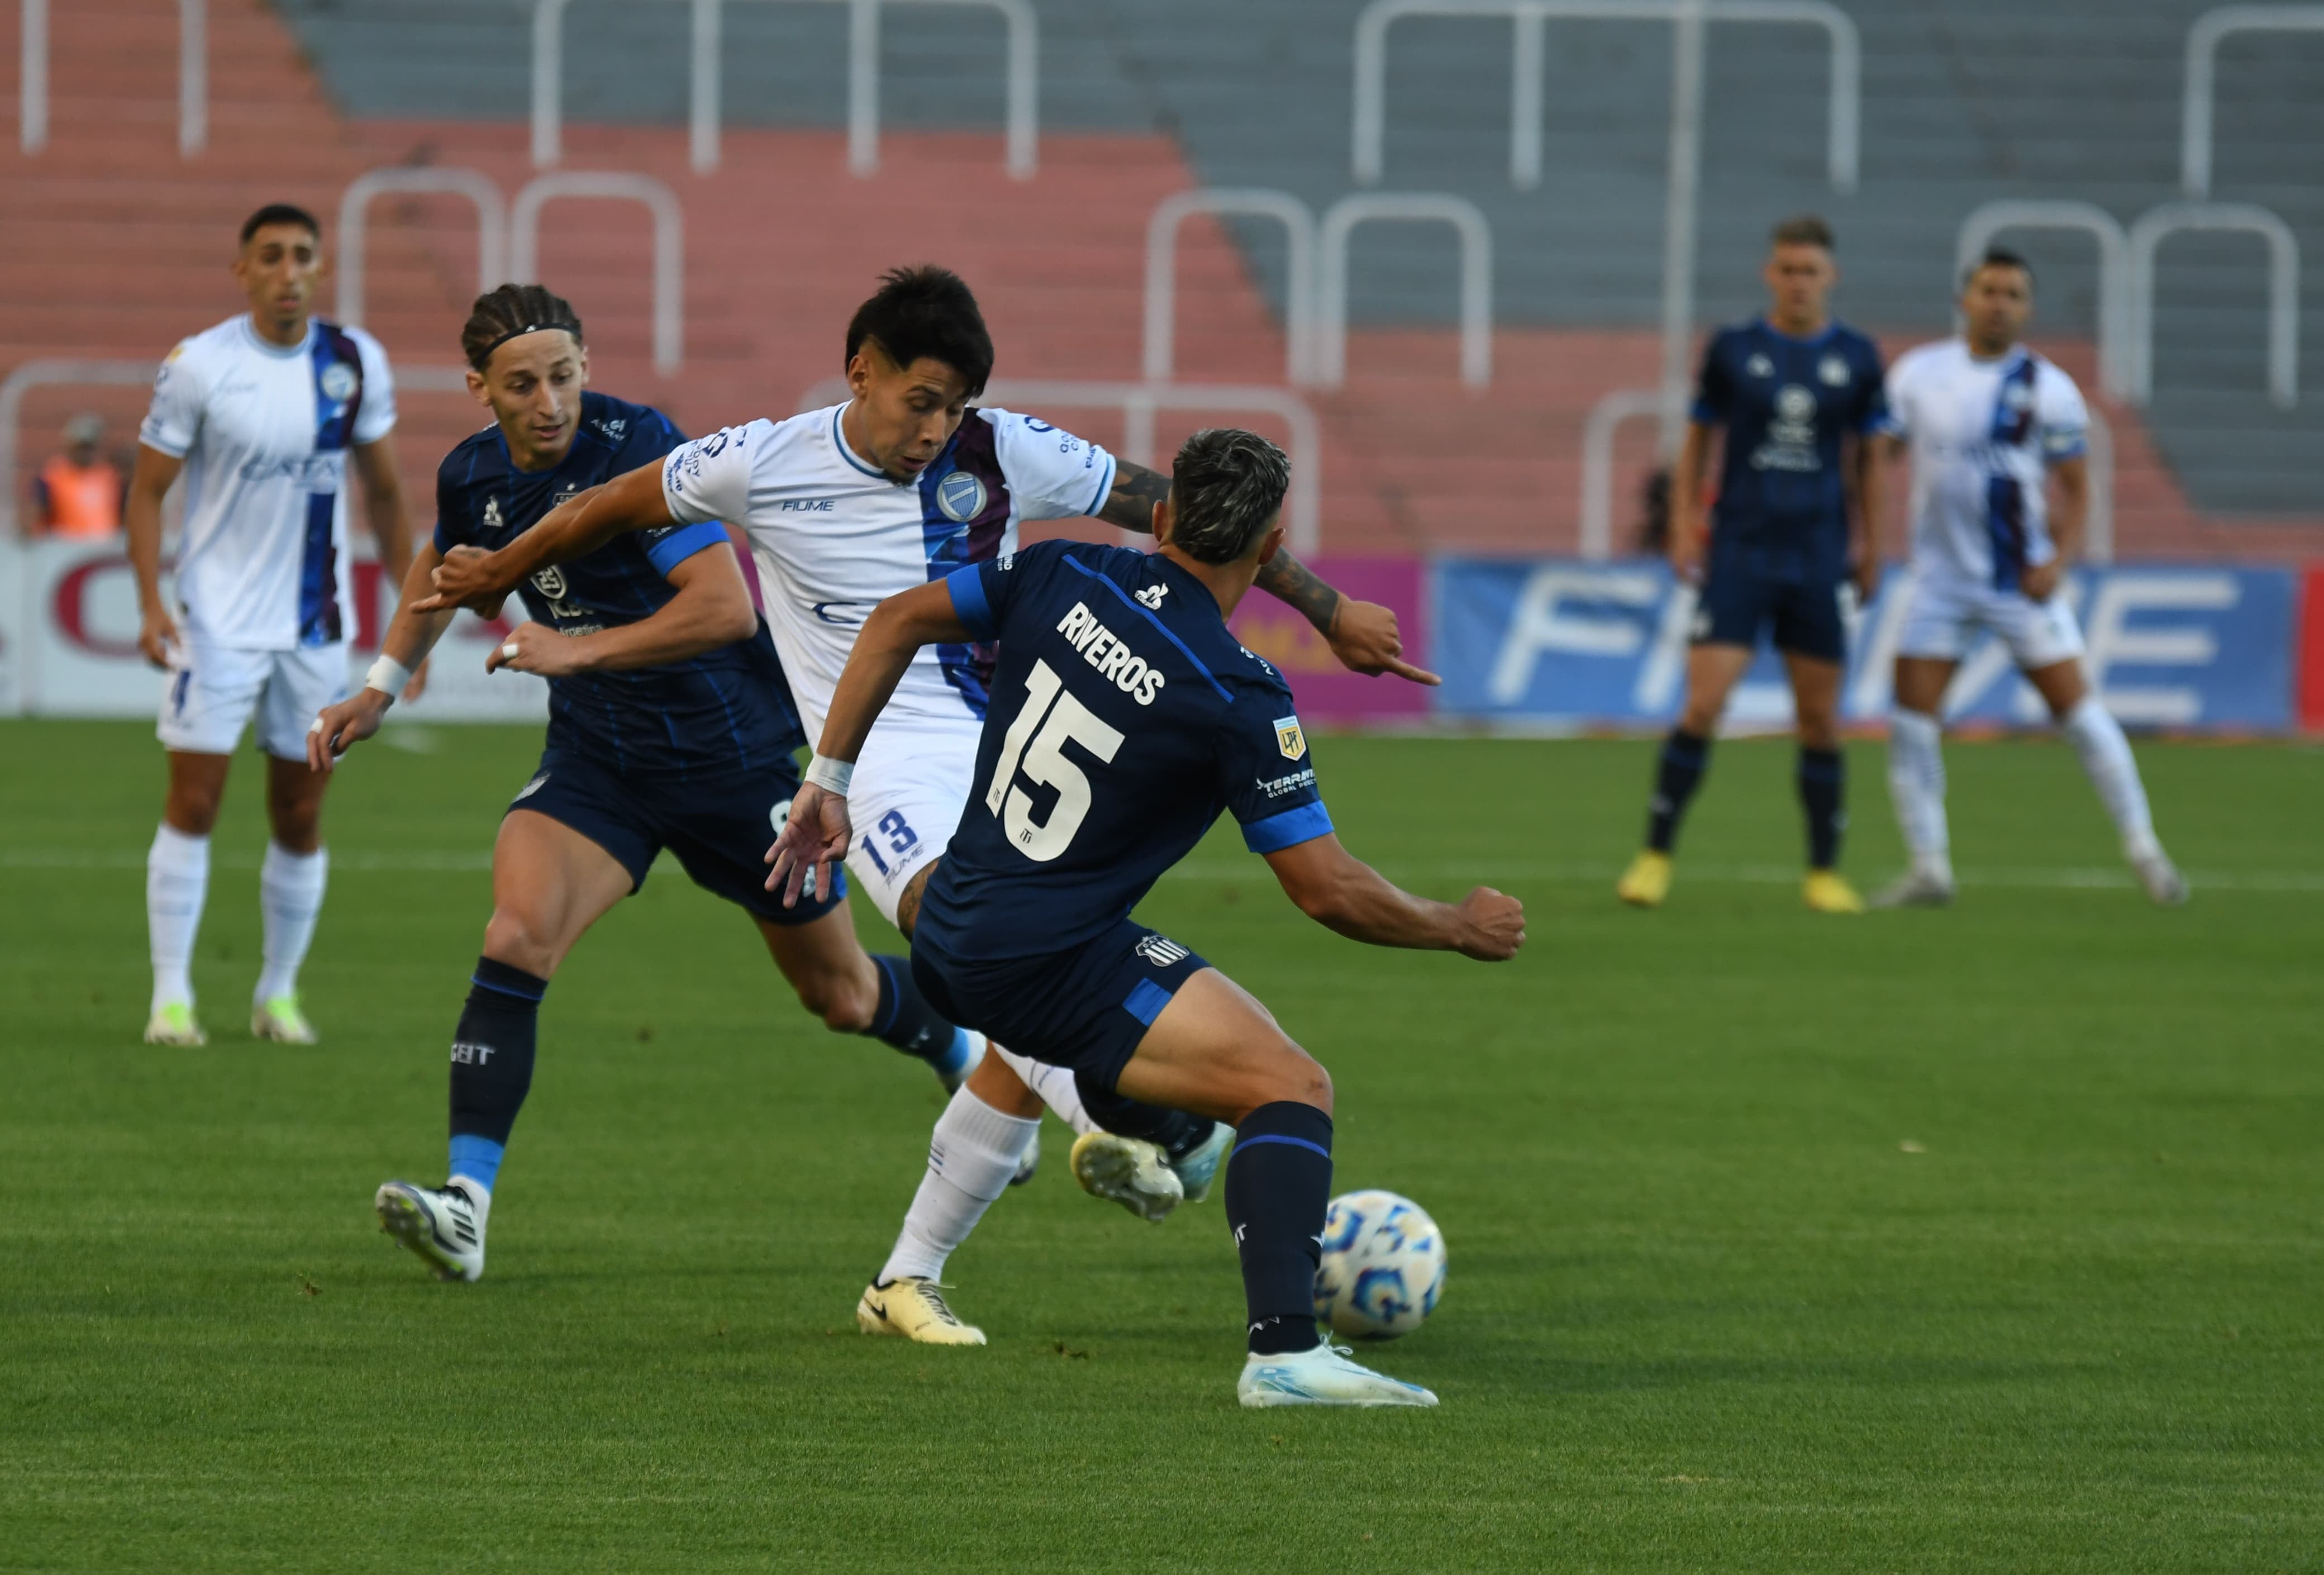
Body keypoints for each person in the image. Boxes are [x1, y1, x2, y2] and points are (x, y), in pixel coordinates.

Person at [414, 265, 1439, 1343]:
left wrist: (1324, 611)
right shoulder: (760, 459)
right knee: (988, 952)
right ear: (862, 371)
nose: (937, 429)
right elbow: (610, 502)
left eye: (955, 407)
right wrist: (506, 569)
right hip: (878, 769)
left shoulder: (1003, 450)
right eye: (921, 402)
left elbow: (1182, 515)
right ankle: (1131, 1123)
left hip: (1008, 752)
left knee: (1011, 979)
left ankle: (931, 1260)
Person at [765, 427, 1525, 1406]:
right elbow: (1326, 887)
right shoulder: (1239, 693)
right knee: (1292, 1086)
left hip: (953, 922)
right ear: (1268, 546)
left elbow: (894, 619)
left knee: (1050, 1049)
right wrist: (1456, 924)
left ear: (1161, 517)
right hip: (1047, 954)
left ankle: (1096, 1167)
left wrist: (827, 778)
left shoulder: (1057, 570)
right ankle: (1285, 1351)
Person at [309, 285, 996, 1284]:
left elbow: (722, 609)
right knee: (516, 933)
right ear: (479, 389)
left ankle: (962, 1051)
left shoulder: (642, 447)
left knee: (842, 994)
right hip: (602, 765)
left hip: (735, 761)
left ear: (587, 364)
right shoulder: (473, 473)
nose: (549, 401)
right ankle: (467, 1204)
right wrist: (380, 683)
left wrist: (578, 650)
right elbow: (451, 566)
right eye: (522, 384)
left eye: (564, 375)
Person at [127, 203, 420, 1046]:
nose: (288, 270)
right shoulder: (200, 365)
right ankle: (171, 998)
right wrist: (152, 601)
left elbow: (389, 493)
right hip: (215, 623)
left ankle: (278, 995)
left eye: (301, 255)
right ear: (243, 270)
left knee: (300, 810)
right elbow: (146, 491)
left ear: (320, 268)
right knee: (195, 799)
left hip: (315, 629)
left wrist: (411, 618)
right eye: (270, 256)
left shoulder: (354, 361)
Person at [1874, 249, 2187, 908]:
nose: (1998, 302)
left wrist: (2059, 559)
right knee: (1910, 721)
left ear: (2026, 309)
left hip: (2019, 581)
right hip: (1938, 582)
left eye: (2012, 293)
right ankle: (1928, 866)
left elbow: (2076, 488)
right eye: (1987, 290)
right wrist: (1866, 529)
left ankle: (2144, 850)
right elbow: (1877, 457)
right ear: (1963, 299)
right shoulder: (1916, 374)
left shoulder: (2047, 388)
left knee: (2080, 714)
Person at [1616, 215, 1888, 915]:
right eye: (1787, 269)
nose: (1798, 282)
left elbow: (1867, 463)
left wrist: (1872, 545)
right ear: (1770, 273)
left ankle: (1822, 872)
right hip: (1738, 553)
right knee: (1703, 704)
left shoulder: (1857, 357)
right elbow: (1697, 443)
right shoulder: (1734, 349)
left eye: (1811, 271)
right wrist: (1682, 527)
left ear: (1831, 278)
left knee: (1820, 720)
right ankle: (1654, 855)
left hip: (1818, 557)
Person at [32, 415, 125, 537]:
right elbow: (39, 516)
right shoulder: (53, 477)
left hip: (104, 549)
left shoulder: (111, 478)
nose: (86, 453)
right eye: (81, 447)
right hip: (65, 548)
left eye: (90, 447)